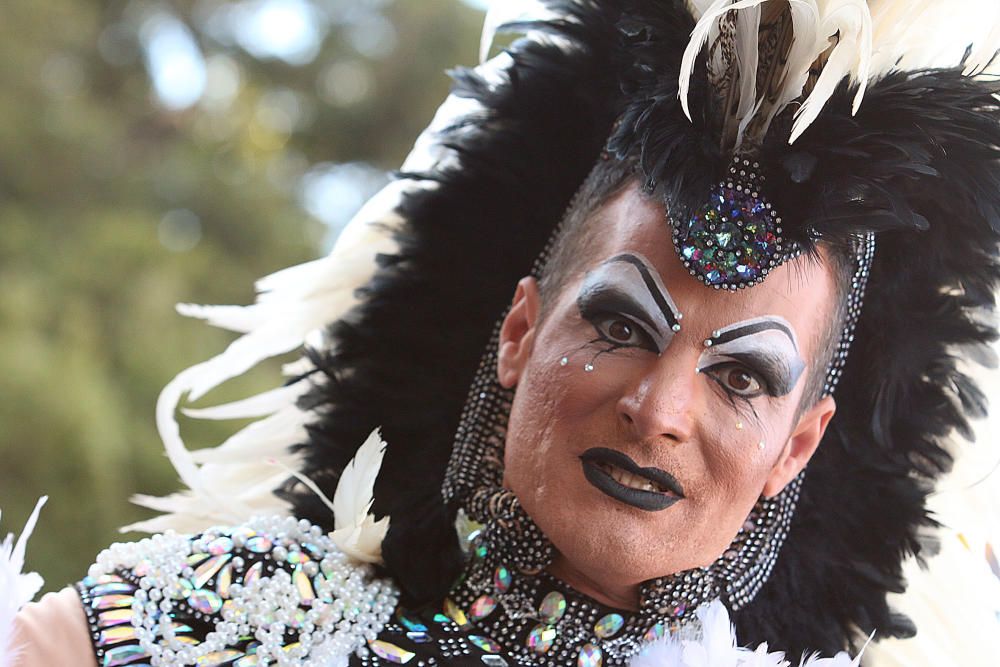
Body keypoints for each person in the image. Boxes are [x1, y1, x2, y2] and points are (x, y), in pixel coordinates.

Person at [6, 0, 1000, 665]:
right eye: (619, 321)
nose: (657, 408)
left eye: (740, 378)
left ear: (797, 445)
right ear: (519, 329)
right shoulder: (230, 613)